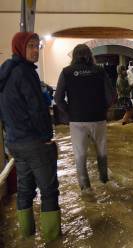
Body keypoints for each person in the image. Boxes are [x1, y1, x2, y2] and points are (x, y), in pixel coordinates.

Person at [0, 32, 61, 242]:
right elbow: (37, 109)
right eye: (31, 46)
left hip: (15, 143)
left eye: (38, 46)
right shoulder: (26, 73)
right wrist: (47, 137)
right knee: (49, 190)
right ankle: (53, 240)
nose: (36, 50)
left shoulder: (5, 73)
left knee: (25, 189)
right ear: (20, 48)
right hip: (34, 142)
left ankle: (27, 236)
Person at [55, 44, 116, 191]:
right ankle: (104, 182)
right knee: (101, 152)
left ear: (74, 56)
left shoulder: (66, 72)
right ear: (90, 55)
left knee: (80, 155)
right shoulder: (100, 71)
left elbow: (58, 98)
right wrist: (104, 109)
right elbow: (112, 96)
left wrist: (69, 112)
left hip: (77, 120)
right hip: (98, 119)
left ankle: (86, 189)